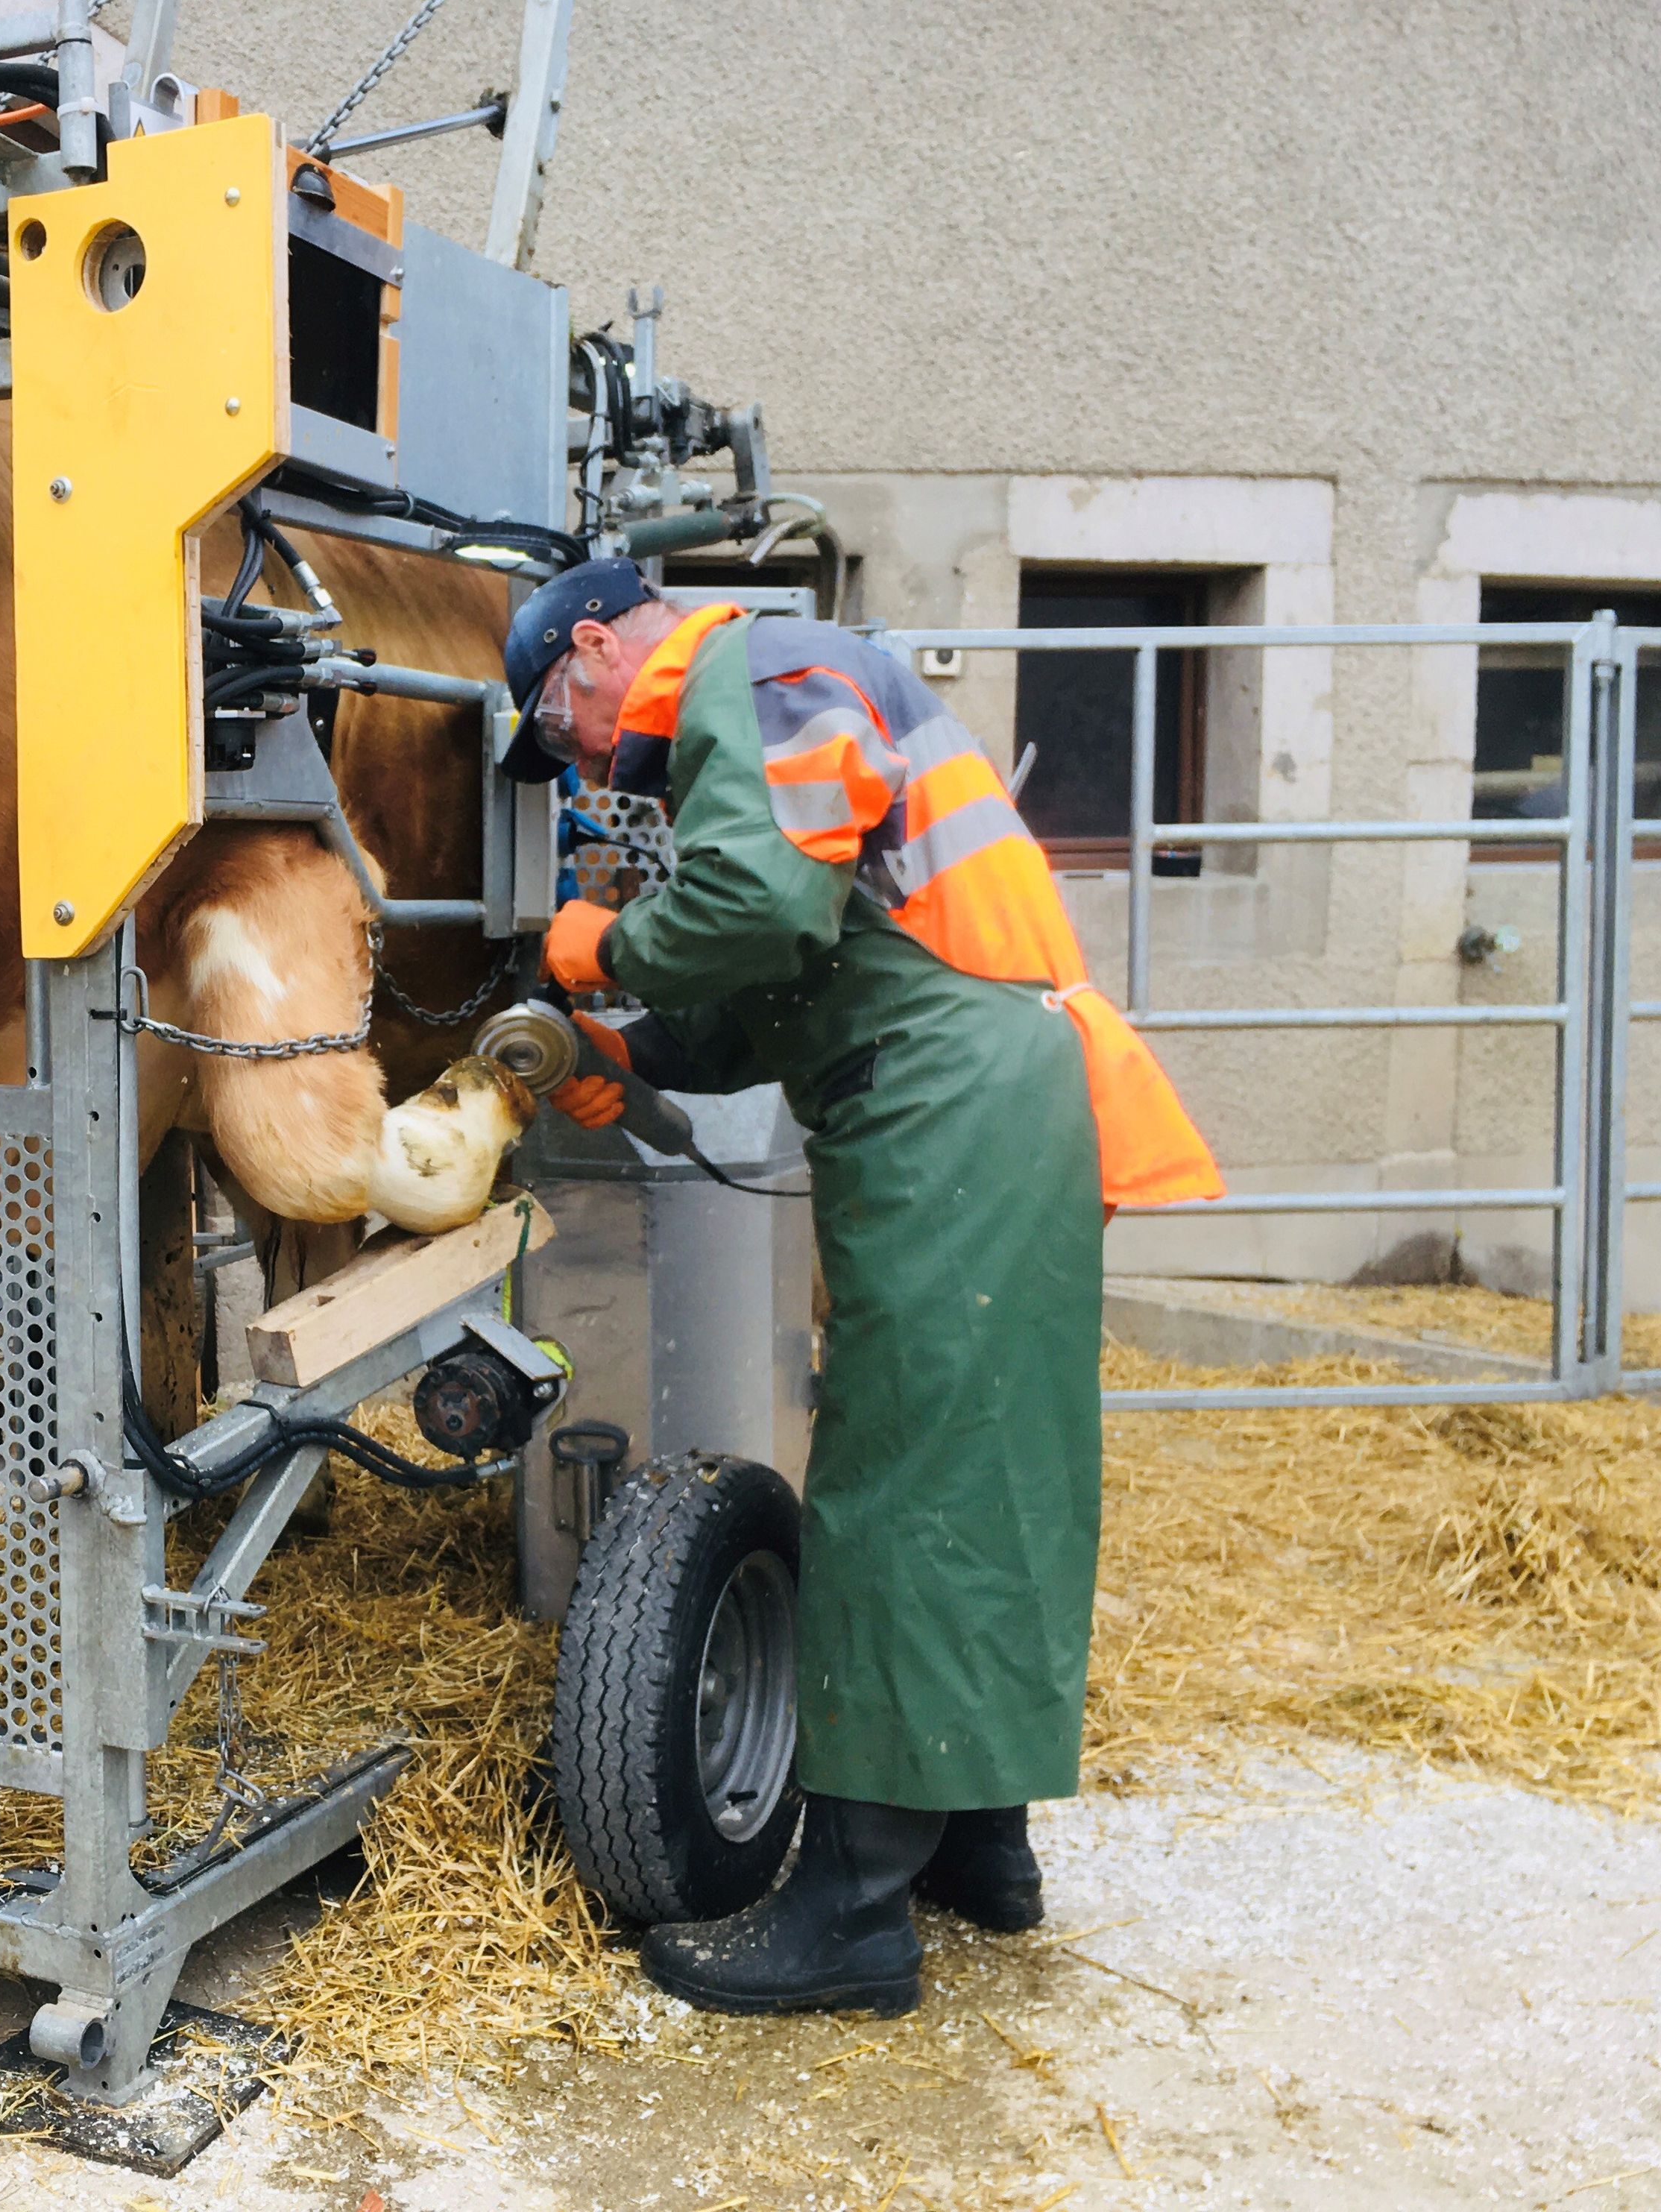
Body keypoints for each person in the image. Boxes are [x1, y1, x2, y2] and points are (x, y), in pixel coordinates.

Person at [501, 561, 1222, 2016]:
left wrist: (596, 947)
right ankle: (974, 1844)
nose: (572, 760)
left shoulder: (747, 674)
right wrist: (615, 1054)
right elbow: (773, 989)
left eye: (553, 721)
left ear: (591, 648)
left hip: (945, 1101)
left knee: (901, 1478)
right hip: (977, 1090)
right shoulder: (779, 692)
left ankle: (847, 1913)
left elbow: (756, 913)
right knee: (985, 1463)